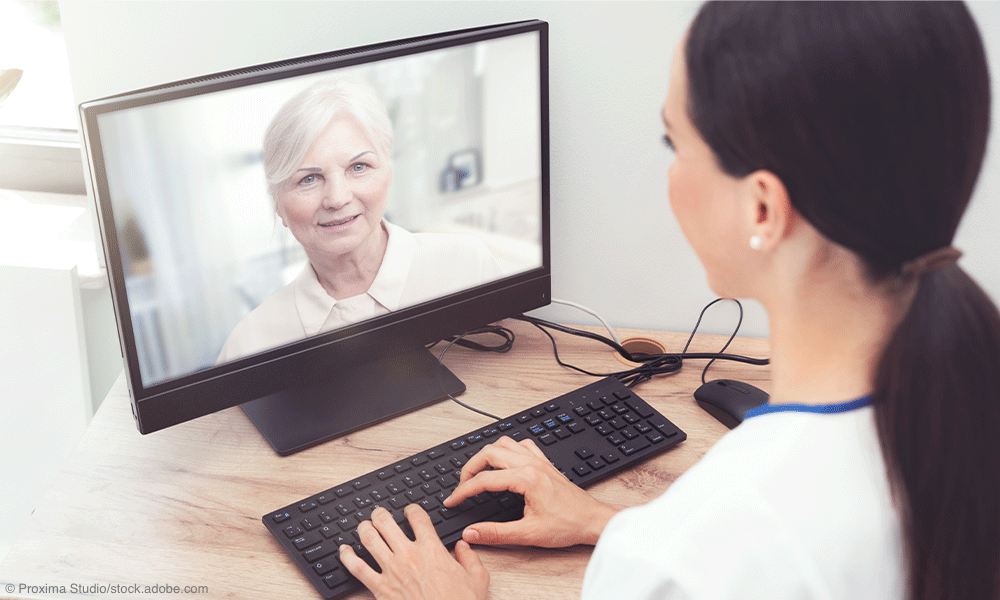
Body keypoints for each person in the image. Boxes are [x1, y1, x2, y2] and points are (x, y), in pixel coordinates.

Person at [337, 2, 1000, 599]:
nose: (671, 173)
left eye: (673, 141)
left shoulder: (694, 555)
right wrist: (615, 524)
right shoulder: (964, 400)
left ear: (763, 207)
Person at [218, 80, 502, 363]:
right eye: (308, 179)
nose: (337, 198)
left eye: (358, 167)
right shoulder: (249, 344)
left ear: (388, 173)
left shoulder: (467, 266)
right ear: (277, 204)